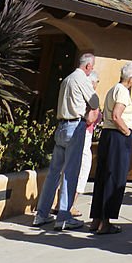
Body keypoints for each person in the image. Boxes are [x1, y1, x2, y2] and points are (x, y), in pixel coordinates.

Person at [33, 52, 98, 231]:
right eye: (92, 67)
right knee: (70, 173)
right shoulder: (82, 79)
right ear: (88, 66)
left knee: (54, 172)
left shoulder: (67, 79)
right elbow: (94, 101)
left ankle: (41, 214)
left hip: (61, 125)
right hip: (74, 126)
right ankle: (63, 217)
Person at [90, 61, 132, 234]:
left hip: (107, 135)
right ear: (131, 78)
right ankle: (105, 221)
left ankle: (96, 219)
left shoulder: (113, 89)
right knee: (115, 177)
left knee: (103, 175)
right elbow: (116, 115)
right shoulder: (123, 92)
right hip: (117, 136)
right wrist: (127, 132)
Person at [71, 71, 101, 215]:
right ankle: (70, 205)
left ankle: (59, 203)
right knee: (82, 170)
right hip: (85, 134)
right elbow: (90, 118)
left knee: (68, 168)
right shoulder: (90, 96)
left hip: (73, 132)